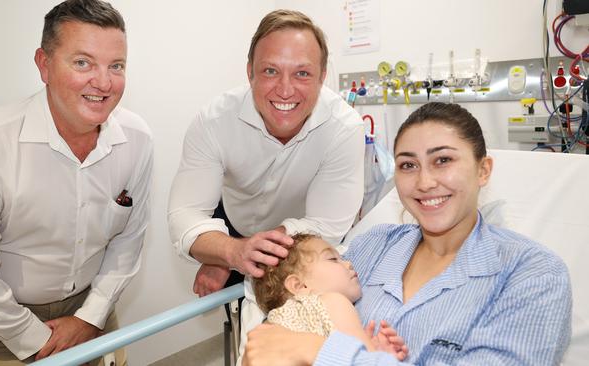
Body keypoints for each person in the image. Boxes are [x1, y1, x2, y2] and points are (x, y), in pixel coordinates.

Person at [243, 102, 572, 366]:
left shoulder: (532, 274)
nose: (425, 182)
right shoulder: (374, 245)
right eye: (408, 165)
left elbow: (303, 346)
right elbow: (284, 332)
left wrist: (318, 352)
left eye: (442, 160)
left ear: (483, 170)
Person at [0, 1, 153, 365]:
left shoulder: (137, 139)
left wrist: (89, 318)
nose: (103, 83)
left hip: (92, 303)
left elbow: (127, 243)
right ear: (44, 64)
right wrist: (39, 340)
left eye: (115, 66)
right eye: (82, 62)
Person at [167, 8, 364, 357]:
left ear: (321, 77)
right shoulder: (214, 121)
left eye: (302, 73)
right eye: (271, 71)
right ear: (250, 73)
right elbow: (185, 215)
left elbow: (328, 225)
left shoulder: (343, 128)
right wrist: (227, 252)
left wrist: (245, 256)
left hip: (302, 234)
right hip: (231, 221)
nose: (285, 89)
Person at [252, 233, 408, 361]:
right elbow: (363, 361)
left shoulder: (273, 325)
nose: (348, 263)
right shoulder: (332, 302)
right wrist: (379, 354)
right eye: (333, 259)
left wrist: (374, 348)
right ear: (299, 286)